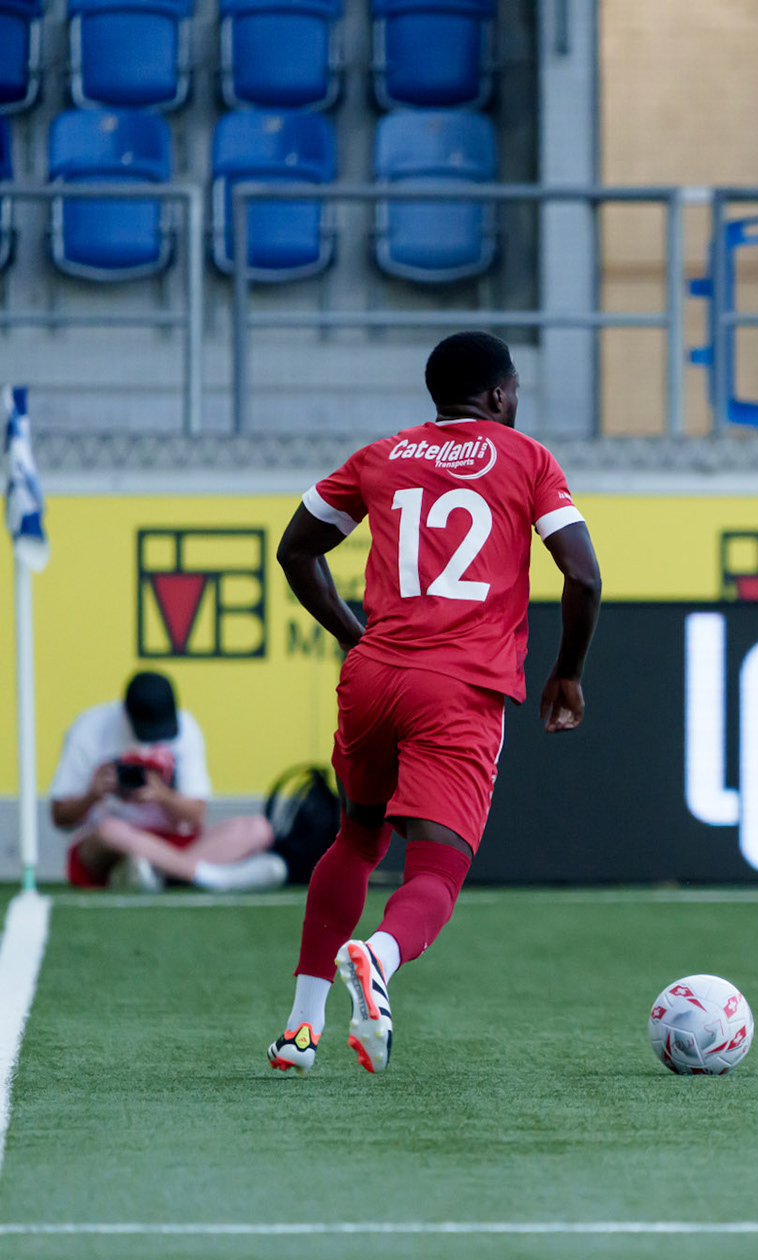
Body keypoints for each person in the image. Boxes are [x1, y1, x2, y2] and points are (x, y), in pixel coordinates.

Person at [268, 331, 602, 1077]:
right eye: (513, 392)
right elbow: (581, 576)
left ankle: (299, 1028)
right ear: (499, 396)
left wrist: (359, 638)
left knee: (355, 840)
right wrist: (567, 673)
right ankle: (378, 957)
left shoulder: (381, 455)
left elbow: (296, 550)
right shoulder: (529, 459)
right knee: (436, 873)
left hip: (376, 675)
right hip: (459, 688)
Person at [50, 672, 285, 893]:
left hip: (174, 842)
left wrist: (162, 795)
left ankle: (154, 874)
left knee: (258, 828)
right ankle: (213, 876)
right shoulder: (90, 728)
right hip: (113, 846)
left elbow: (196, 816)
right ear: (125, 715)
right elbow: (60, 817)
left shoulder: (186, 727)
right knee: (109, 830)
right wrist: (94, 794)